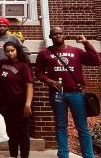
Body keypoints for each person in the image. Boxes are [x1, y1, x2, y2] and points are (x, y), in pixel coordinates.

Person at [35, 27, 101, 158]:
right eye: (55, 34)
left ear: (64, 35)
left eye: (60, 34)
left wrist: (86, 43)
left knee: (82, 127)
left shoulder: (76, 51)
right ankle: (63, 155)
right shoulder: (45, 53)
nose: (58, 36)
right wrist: (48, 80)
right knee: (61, 126)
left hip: (76, 93)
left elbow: (96, 61)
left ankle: (88, 155)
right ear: (51, 36)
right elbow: (39, 72)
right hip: (57, 94)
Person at [0, 41, 33, 158]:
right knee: (10, 132)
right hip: (6, 105)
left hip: (20, 104)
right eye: (7, 51)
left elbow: (29, 85)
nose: (10, 53)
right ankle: (13, 155)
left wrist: (28, 104)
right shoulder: (2, 63)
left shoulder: (23, 66)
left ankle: (24, 156)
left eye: (12, 50)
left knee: (22, 132)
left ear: (17, 50)